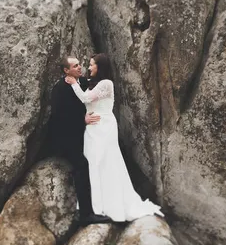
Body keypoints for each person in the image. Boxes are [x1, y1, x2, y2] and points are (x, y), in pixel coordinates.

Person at [65, 53, 163, 222]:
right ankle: (95, 206)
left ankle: (110, 205)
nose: (88, 68)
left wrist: (74, 84)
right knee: (93, 163)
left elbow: (86, 98)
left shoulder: (106, 84)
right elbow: (87, 105)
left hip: (104, 127)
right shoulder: (92, 83)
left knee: (106, 162)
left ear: (100, 67)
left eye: (91, 64)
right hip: (91, 129)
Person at [46, 56, 111, 225]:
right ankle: (86, 215)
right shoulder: (59, 89)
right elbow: (59, 116)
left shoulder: (81, 82)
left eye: (79, 65)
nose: (79, 67)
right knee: (82, 167)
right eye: (75, 66)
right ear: (66, 70)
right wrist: (82, 119)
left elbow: (88, 95)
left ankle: (103, 205)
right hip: (66, 138)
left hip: (84, 135)